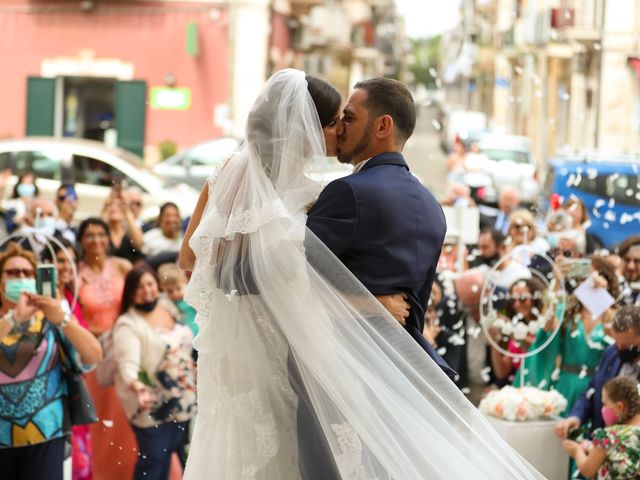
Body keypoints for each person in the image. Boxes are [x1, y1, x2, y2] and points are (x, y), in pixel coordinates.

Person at [179, 69, 543, 479]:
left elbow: (263, 274)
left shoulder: (343, 193)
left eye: (348, 118)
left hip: (328, 381)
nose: (340, 128)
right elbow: (403, 306)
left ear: (383, 125)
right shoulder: (430, 206)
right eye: (336, 120)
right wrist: (370, 303)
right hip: (397, 379)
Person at [0, 242, 102, 480]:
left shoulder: (51, 322)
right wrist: (14, 319)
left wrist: (62, 319)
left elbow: (93, 355)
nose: (21, 277)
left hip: (47, 434)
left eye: (27, 273)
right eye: (12, 273)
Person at [113, 267, 196, 480]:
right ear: (130, 292)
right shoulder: (128, 324)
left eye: (149, 284)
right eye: (139, 287)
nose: (146, 290)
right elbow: (127, 367)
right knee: (153, 462)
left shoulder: (168, 307)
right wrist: (139, 387)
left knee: (177, 456)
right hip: (153, 407)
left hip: (183, 401)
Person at [76, 218, 137, 480]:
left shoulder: (123, 267)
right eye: (89, 236)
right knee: (100, 421)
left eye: (101, 234)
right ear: (81, 241)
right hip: (94, 354)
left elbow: (138, 302)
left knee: (128, 416)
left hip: (124, 350)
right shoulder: (76, 274)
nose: (96, 240)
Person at [523, 257, 619, 414]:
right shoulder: (566, 312)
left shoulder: (611, 314)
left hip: (599, 387)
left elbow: (615, 336)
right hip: (566, 384)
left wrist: (601, 296)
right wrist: (556, 281)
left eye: (594, 275)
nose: (590, 281)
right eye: (585, 276)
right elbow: (547, 325)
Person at [41, 237, 94, 480]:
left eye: (71, 261)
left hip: (75, 385)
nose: (65, 266)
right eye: (60, 260)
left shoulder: (73, 297)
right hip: (48, 391)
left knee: (79, 460)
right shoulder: (41, 300)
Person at [555, 306, 640, 438]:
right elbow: (592, 392)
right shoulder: (611, 353)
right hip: (601, 443)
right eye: (615, 341)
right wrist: (576, 416)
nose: (618, 347)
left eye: (624, 345)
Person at [562, 376, 640, 479]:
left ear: (620, 406)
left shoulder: (607, 436)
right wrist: (593, 448)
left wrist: (577, 451)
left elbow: (587, 470)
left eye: (604, 404)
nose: (602, 409)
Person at [102, 193, 144, 264]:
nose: (114, 208)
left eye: (119, 205)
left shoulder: (130, 232)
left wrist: (128, 213)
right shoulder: (103, 233)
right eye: (110, 205)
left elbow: (138, 244)